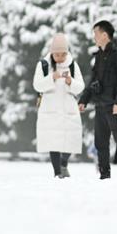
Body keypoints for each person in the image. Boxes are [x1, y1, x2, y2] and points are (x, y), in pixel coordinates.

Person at [78, 20, 117, 179]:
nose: (94, 37)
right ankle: (104, 176)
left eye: (95, 34)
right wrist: (83, 100)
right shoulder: (99, 56)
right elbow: (93, 81)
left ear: (104, 35)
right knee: (100, 143)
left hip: (115, 106)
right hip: (101, 105)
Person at [33, 33, 85, 178]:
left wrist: (70, 82)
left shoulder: (73, 65)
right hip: (50, 109)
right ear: (51, 52)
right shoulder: (43, 65)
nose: (60, 58)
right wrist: (51, 78)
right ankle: (57, 173)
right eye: (57, 55)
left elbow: (80, 86)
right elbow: (37, 85)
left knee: (71, 139)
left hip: (68, 108)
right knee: (53, 141)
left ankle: (64, 163)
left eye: (63, 54)